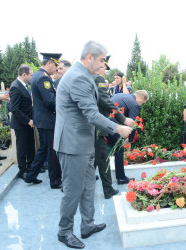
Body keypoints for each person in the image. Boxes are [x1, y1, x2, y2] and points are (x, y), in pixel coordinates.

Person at [54, 41, 133, 249]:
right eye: (100, 61)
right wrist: (118, 128)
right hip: (72, 144)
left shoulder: (84, 76)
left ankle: (87, 225)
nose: (102, 66)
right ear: (89, 56)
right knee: (73, 190)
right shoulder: (79, 77)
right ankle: (64, 231)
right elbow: (91, 113)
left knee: (88, 186)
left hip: (83, 142)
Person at [93, 55, 135, 199]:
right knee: (103, 158)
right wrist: (123, 119)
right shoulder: (97, 79)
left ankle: (84, 185)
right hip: (98, 126)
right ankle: (108, 190)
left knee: (95, 159)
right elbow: (106, 102)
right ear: (100, 65)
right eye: (104, 68)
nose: (105, 71)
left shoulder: (87, 78)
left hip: (92, 127)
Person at [25, 52, 62, 189]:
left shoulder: (37, 75)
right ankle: (55, 181)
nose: (56, 69)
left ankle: (31, 175)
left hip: (42, 119)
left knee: (43, 148)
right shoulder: (43, 78)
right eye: (55, 65)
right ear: (49, 63)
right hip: (48, 120)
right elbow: (50, 101)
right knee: (53, 151)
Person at [107, 90, 149, 184]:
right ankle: (121, 178)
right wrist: (130, 140)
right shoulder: (134, 104)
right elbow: (131, 123)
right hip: (112, 123)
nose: (141, 105)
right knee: (119, 149)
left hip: (104, 120)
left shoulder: (122, 95)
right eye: (142, 103)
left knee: (100, 149)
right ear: (141, 98)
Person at [10, 65, 35, 179]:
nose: (32, 77)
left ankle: (31, 166)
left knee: (30, 145)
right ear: (24, 75)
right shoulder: (15, 87)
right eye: (31, 75)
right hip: (21, 123)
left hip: (28, 122)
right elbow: (14, 109)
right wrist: (27, 120)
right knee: (22, 148)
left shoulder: (25, 86)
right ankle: (22, 170)